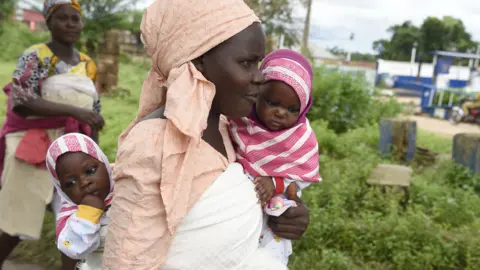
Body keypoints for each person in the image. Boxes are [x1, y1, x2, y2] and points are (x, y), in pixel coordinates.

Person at [102, 0, 310, 269]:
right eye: (246, 63)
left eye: (258, 63)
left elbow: (226, 212)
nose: (260, 78)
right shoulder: (155, 145)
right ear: (199, 61)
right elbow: (127, 261)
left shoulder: (227, 129)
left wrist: (284, 213)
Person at [0, 1, 104, 269]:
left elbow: (94, 113)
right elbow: (20, 101)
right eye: (63, 19)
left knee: (75, 223)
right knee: (16, 224)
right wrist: (75, 112)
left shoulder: (88, 64)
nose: (71, 24)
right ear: (49, 22)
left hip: (72, 151)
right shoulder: (36, 56)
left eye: (76, 19)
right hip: (33, 145)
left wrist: (94, 157)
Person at [229, 49, 320, 265]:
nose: (281, 113)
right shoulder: (237, 120)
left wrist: (276, 183)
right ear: (258, 93)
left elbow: (299, 178)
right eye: (273, 103)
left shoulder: (299, 138)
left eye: (292, 109)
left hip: (273, 220)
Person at [46, 133, 113, 270]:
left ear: (104, 163)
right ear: (62, 190)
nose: (84, 183)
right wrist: (88, 215)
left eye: (90, 171)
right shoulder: (70, 216)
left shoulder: (127, 187)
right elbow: (72, 247)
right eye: (70, 183)